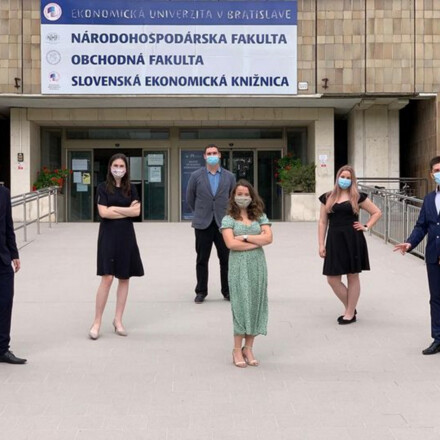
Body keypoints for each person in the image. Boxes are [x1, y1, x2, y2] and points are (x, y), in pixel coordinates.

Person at [89, 153, 144, 340]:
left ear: (126, 169)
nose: (118, 169)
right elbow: (104, 213)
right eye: (115, 165)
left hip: (126, 236)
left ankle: (118, 320)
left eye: (122, 166)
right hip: (108, 236)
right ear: (110, 167)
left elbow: (136, 211)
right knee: (107, 277)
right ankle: (97, 322)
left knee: (124, 277)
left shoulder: (131, 188)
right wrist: (126, 211)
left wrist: (116, 209)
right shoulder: (102, 187)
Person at [318, 165, 381, 324]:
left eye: (348, 178)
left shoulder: (357, 197)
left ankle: (350, 313)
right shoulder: (327, 197)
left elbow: (376, 212)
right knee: (332, 279)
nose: (345, 180)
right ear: (337, 177)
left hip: (353, 239)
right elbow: (322, 222)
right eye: (342, 177)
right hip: (334, 240)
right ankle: (351, 306)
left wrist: (366, 226)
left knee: (352, 276)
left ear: (352, 180)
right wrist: (321, 244)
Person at [220, 180, 273, 368]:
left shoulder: (260, 216)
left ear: (252, 196)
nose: (243, 197)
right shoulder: (228, 219)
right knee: (241, 306)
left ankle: (248, 348)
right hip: (238, 266)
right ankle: (236, 349)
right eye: (239, 194)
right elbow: (230, 244)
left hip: (257, 266)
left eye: (246, 194)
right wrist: (256, 242)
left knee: (255, 304)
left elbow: (269, 238)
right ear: (233, 197)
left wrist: (244, 237)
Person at [394, 156, 440, 355]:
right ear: (431, 174)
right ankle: (438, 338)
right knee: (436, 298)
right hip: (433, 257)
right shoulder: (429, 199)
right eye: (436, 171)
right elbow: (421, 226)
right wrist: (410, 242)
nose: (439, 173)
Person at [186, 144, 236, 304]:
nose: (212, 155)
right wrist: (200, 212)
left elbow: (233, 198)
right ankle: (201, 291)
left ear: (219, 155)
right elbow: (190, 198)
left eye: (214, 153)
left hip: (223, 223)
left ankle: (227, 291)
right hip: (203, 223)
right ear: (204, 156)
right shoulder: (195, 176)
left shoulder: (229, 176)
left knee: (226, 259)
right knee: (202, 259)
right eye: (209, 153)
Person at [0, 185, 26, 364]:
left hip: (2, 259)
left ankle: (2, 349)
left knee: (5, 304)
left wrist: (14, 253)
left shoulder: (3, 193)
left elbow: (8, 226)